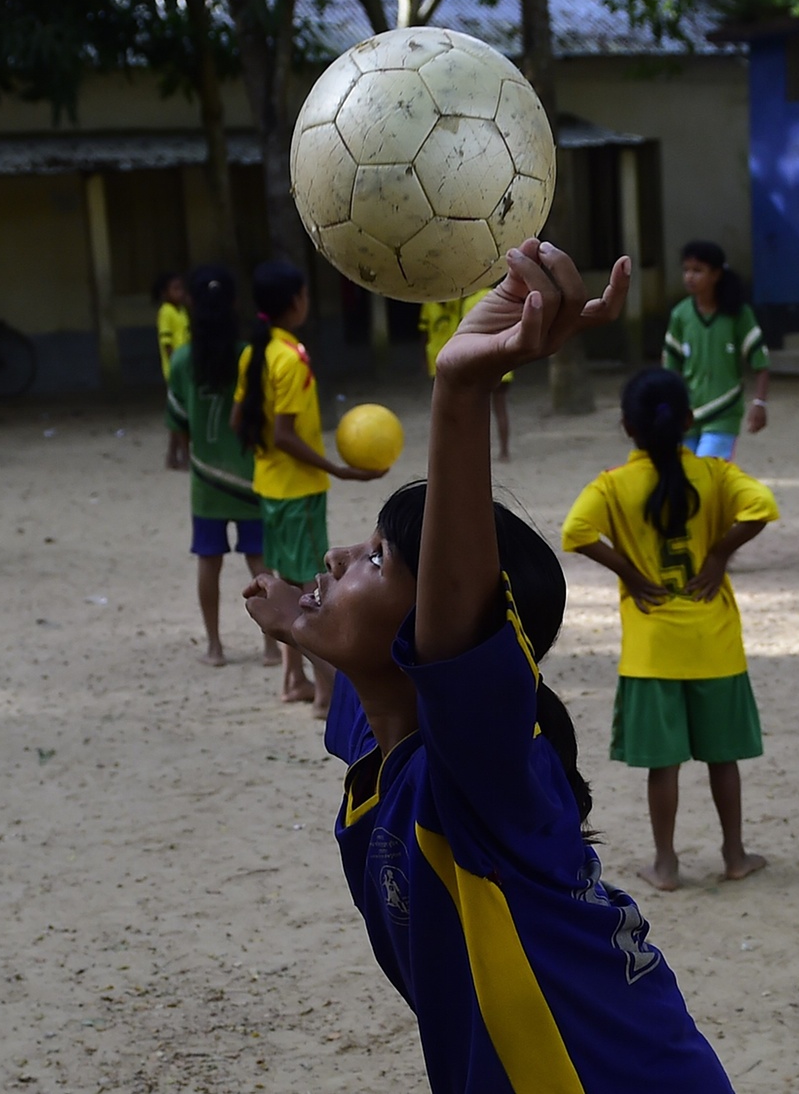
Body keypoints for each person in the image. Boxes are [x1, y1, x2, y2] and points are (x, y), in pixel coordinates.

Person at [241, 240, 737, 1092]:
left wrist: (460, 388)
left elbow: (456, 621)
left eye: (377, 558)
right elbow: (396, 659)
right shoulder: (382, 734)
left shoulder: (480, 770)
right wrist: (305, 614)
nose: (336, 557)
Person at [562, 368, 778, 891]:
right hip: (715, 641)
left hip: (651, 647)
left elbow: (575, 531)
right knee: (722, 758)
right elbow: (762, 507)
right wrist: (721, 553)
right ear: (688, 420)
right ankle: (733, 853)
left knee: (665, 767)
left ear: (626, 426)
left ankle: (666, 863)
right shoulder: (714, 475)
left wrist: (631, 575)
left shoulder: (614, 484)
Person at [234, 261, 384, 713]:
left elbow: (239, 421)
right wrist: (338, 470)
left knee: (285, 582)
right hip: (298, 492)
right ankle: (325, 694)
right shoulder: (290, 357)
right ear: (295, 302)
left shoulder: (252, 354)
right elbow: (284, 434)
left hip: (269, 487)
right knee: (310, 591)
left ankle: (292, 681)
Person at [165, 265, 273, 667]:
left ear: (190, 303)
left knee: (208, 561)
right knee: (259, 561)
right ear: (234, 304)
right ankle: (269, 647)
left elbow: (179, 422)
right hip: (251, 477)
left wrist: (183, 453)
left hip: (206, 480)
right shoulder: (248, 356)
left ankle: (215, 647)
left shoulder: (183, 360)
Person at [663, 240, 770, 461]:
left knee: (707, 474)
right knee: (686, 476)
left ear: (716, 275)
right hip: (688, 413)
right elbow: (671, 365)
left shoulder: (737, 314)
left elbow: (760, 362)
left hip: (724, 409)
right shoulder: (680, 315)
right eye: (686, 270)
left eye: (698, 271)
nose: (689, 277)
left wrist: (759, 403)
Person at [421, 289, 513, 460]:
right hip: (500, 359)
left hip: (474, 362)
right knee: (498, 407)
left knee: (469, 409)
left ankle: (473, 452)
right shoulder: (501, 294)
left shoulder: (465, 302)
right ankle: (503, 451)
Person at [156, 271, 192, 470]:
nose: (180, 293)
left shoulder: (182, 311)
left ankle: (172, 456)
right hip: (175, 370)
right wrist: (177, 366)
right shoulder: (166, 312)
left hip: (185, 366)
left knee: (176, 412)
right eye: (175, 289)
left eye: (181, 289)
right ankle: (185, 456)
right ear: (165, 293)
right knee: (182, 412)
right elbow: (167, 343)